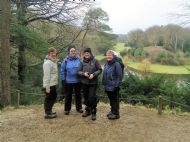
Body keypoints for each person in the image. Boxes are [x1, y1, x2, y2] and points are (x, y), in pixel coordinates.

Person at [78, 47, 102, 121]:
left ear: (90, 53)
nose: (86, 54)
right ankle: (88, 110)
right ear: (84, 54)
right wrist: (84, 73)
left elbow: (100, 70)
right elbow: (78, 71)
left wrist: (93, 74)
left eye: (88, 53)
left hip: (93, 83)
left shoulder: (95, 61)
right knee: (86, 98)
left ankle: (93, 112)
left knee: (92, 98)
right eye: (85, 53)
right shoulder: (81, 62)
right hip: (84, 83)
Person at [60, 44, 83, 115]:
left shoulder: (79, 59)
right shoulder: (65, 60)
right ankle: (67, 109)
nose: (73, 52)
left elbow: (82, 68)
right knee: (68, 95)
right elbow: (62, 71)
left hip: (78, 81)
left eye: (74, 51)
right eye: (71, 51)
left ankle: (79, 108)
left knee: (78, 95)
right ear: (69, 52)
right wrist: (63, 80)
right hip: (68, 81)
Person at [102, 50, 123, 120]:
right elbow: (105, 74)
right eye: (107, 55)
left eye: (110, 55)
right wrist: (104, 83)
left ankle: (116, 114)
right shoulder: (106, 63)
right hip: (107, 86)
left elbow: (119, 76)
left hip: (114, 86)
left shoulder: (116, 64)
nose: (108, 56)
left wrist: (116, 85)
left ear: (113, 56)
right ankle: (112, 111)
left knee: (115, 100)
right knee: (111, 100)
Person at [43, 47, 58, 119]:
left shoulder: (53, 61)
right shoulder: (47, 63)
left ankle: (50, 110)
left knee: (53, 97)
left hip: (53, 83)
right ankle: (47, 113)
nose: (53, 54)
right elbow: (46, 75)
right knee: (49, 98)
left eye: (54, 53)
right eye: (51, 53)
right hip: (49, 84)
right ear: (49, 54)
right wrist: (47, 86)